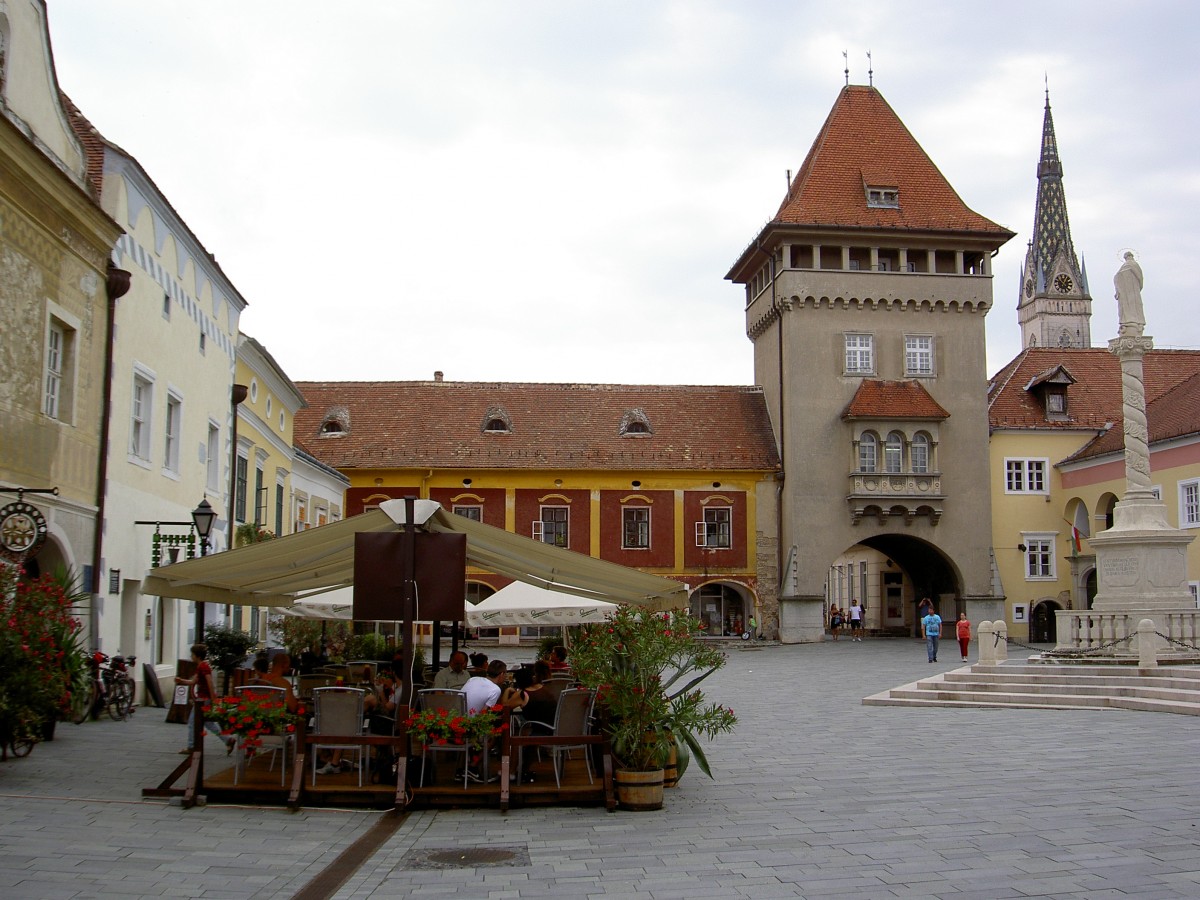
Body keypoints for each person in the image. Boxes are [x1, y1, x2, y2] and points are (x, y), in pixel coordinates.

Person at [174, 643, 233, 755]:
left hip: (203, 699)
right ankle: (228, 740)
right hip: (203, 699)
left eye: (192, 654)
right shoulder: (201, 666)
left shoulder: (203, 667)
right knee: (208, 723)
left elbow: (210, 682)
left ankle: (191, 746)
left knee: (192, 722)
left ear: (197, 656)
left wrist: (213, 698)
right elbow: (193, 681)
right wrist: (181, 681)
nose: (191, 656)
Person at [1114, 250, 1145, 336]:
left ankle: (1132, 322)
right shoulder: (1129, 265)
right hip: (1127, 292)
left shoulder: (1131, 265)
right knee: (1128, 307)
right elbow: (1140, 279)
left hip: (1132, 291)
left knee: (1132, 306)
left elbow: (1118, 277)